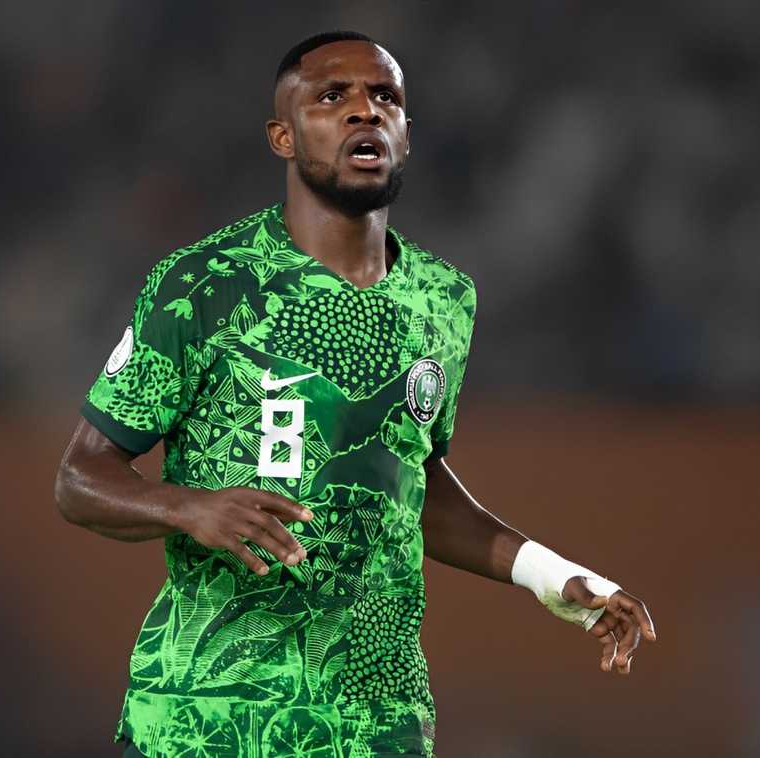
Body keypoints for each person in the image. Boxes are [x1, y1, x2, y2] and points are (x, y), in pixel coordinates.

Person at [55, 30, 656, 758]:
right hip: (210, 718)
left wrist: (554, 577)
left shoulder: (443, 299)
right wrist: (189, 508)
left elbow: (409, 487)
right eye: (331, 97)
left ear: (406, 135)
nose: (363, 111)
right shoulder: (205, 285)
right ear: (283, 135)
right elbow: (81, 478)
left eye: (385, 98)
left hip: (377, 721)